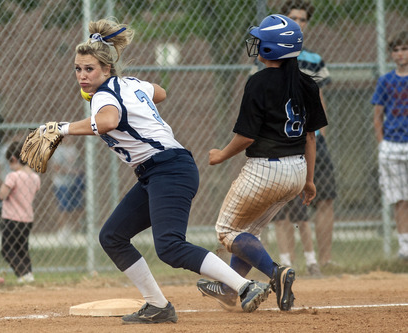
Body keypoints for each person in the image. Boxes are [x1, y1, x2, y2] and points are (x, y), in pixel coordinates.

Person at [35, 18, 271, 324]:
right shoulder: (129, 84)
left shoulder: (105, 95)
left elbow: (106, 122)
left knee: (170, 246)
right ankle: (157, 305)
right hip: (158, 172)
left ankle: (245, 286)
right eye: (78, 69)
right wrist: (136, 97)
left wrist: (61, 129)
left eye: (89, 69)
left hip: (168, 170)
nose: (82, 75)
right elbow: (159, 92)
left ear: (106, 69)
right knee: (112, 236)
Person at [195, 14, 328, 312]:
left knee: (227, 231)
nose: (256, 44)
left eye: (261, 41)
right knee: (248, 231)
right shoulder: (307, 83)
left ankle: (275, 274)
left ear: (272, 49)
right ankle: (231, 290)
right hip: (296, 170)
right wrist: (308, 180)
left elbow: (245, 137)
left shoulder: (258, 82)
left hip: (266, 170)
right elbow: (311, 138)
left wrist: (220, 155)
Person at [271, 0, 338, 273]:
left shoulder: (314, 60)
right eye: (293, 18)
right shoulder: (268, 55)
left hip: (313, 140)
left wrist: (321, 133)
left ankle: (323, 262)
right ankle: (289, 263)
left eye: (303, 19)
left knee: (324, 197)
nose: (299, 23)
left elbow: (320, 99)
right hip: (284, 142)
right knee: (281, 202)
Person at [371, 31, 408, 261]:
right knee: (400, 198)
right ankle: (404, 247)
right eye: (395, 50)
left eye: (404, 49)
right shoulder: (386, 81)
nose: (400, 54)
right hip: (393, 144)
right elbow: (377, 115)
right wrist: (382, 143)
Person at [0, 141, 41, 283]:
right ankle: (28, 273)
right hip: (27, 219)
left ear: (14, 159)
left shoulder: (13, 176)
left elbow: (2, 195)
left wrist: (3, 188)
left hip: (11, 219)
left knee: (7, 248)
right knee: (22, 248)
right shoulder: (35, 177)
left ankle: (22, 273)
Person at [49, 143, 85, 240]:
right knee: (63, 208)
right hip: (62, 183)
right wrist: (71, 171)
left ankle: (73, 229)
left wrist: (78, 171)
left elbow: (79, 164)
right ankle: (63, 230)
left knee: (77, 207)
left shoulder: (73, 148)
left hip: (74, 183)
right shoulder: (57, 150)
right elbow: (56, 168)